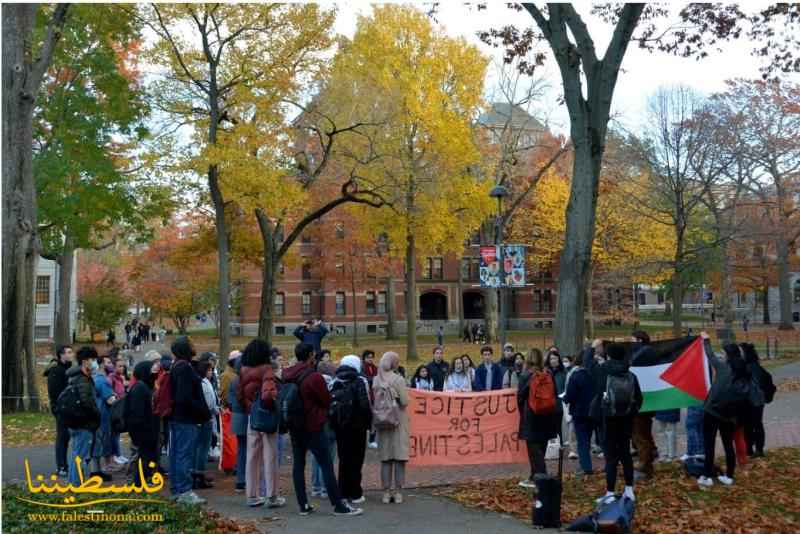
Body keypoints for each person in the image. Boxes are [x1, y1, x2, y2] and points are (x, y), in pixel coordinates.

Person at [282, 343, 362, 516]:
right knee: (326, 464)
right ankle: (338, 505)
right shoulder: (314, 377)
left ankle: (303, 505)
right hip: (313, 425)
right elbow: (326, 400)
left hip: (294, 424)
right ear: (311, 355)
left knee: (298, 464)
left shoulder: (287, 374)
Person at [237, 339, 284, 508]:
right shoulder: (267, 369)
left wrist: (250, 408)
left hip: (252, 416)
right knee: (270, 456)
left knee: (252, 456)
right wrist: (272, 407)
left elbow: (239, 394)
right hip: (267, 415)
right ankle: (271, 496)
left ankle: (252, 495)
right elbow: (268, 394)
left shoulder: (242, 370)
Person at [698, 333, 749, 487]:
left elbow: (710, 355)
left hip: (712, 411)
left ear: (727, 355)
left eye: (724, 353)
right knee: (728, 444)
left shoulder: (722, 367)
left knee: (709, 443)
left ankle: (707, 476)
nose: (722, 355)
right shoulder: (743, 371)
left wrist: (705, 339)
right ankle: (729, 476)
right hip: (730, 415)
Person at [597, 343, 643, 504]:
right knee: (625, 454)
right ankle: (629, 489)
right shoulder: (630, 374)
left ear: (608, 356)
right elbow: (639, 398)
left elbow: (597, 394)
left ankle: (610, 492)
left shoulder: (603, 372)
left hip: (609, 419)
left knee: (610, 457)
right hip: (626, 419)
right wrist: (631, 413)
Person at [169, 336, 211, 505]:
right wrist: (201, 411)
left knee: (178, 454)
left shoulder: (177, 366)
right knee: (184, 454)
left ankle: (177, 489)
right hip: (186, 419)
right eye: (191, 344)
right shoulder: (184, 368)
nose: (194, 345)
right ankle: (185, 491)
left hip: (179, 417)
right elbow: (184, 397)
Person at [332, 355, 372, 505]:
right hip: (358, 427)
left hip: (340, 426)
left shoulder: (336, 380)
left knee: (343, 459)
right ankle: (355, 492)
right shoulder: (360, 380)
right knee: (357, 459)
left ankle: (342, 491)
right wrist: (369, 424)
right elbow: (365, 404)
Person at [517, 349, 559, 488]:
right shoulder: (548, 374)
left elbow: (520, 398)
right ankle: (534, 476)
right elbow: (555, 394)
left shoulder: (525, 376)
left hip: (532, 417)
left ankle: (541, 479)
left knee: (534, 452)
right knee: (541, 448)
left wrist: (522, 414)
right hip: (547, 416)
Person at [373, 351, 409, 505]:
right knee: (399, 459)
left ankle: (386, 493)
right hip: (398, 421)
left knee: (385, 459)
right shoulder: (398, 379)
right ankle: (398, 492)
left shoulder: (376, 379)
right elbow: (405, 402)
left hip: (382, 422)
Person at [65, 347, 102, 486]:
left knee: (76, 454)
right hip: (83, 424)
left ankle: (73, 482)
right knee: (80, 456)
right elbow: (87, 402)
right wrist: (96, 414)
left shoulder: (77, 377)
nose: (94, 363)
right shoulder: (82, 380)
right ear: (85, 362)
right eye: (92, 360)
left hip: (77, 422)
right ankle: (76, 485)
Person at [629, 330, 658, 481]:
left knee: (640, 434)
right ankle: (647, 460)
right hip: (646, 401)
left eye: (632, 340)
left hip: (641, 402)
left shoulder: (643, 354)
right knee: (643, 433)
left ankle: (644, 465)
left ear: (639, 340)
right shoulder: (647, 352)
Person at [126, 360, 160, 486]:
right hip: (143, 431)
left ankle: (144, 479)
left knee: (148, 457)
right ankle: (137, 482)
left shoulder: (147, 386)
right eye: (152, 370)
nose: (154, 373)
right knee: (141, 457)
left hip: (149, 429)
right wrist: (140, 432)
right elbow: (137, 413)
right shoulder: (140, 388)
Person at [562, 352, 595, 476]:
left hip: (579, 412)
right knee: (587, 438)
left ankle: (585, 467)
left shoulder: (576, 376)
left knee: (582, 440)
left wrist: (565, 399)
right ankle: (587, 464)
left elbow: (570, 395)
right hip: (592, 411)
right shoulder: (593, 374)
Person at [741, 342, 774, 457]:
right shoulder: (756, 366)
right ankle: (758, 449)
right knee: (756, 424)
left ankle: (751, 448)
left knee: (749, 425)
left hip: (751, 401)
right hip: (759, 401)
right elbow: (768, 379)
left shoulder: (748, 367)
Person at [45, 345, 73, 477]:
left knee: (67, 437)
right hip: (61, 409)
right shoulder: (56, 370)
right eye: (68, 352)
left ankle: (66, 465)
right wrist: (58, 408)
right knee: (62, 437)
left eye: (71, 352)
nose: (71, 354)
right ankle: (61, 466)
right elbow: (55, 392)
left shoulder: (67, 368)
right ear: (61, 355)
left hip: (69, 408)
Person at [310, 362, 337, 499]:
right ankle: (326, 487)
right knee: (328, 457)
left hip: (314, 424)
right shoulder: (333, 385)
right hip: (329, 424)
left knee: (315, 456)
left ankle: (315, 486)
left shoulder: (310, 383)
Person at [194, 360, 218, 491]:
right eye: (209, 370)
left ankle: (198, 473)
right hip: (206, 418)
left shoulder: (204, 382)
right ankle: (199, 474)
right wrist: (215, 410)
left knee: (201, 447)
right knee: (202, 448)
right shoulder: (203, 383)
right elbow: (209, 402)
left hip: (205, 417)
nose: (211, 372)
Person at [94, 356, 119, 476]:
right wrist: (118, 399)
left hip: (98, 413)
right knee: (105, 438)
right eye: (108, 362)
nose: (111, 365)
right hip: (104, 414)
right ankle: (107, 464)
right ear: (102, 365)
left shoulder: (94, 378)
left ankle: (105, 464)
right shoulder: (102, 380)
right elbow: (110, 400)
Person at [229, 357, 248, 493]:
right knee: (248, 450)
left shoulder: (233, 380)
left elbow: (230, 400)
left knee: (241, 449)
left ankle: (240, 480)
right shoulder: (243, 380)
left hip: (236, 415)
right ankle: (245, 479)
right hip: (244, 416)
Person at [547, 351, 567, 443]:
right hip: (548, 403)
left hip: (559, 403)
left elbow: (566, 386)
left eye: (555, 358)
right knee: (549, 426)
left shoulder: (563, 372)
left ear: (559, 359)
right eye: (551, 359)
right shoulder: (546, 372)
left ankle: (560, 444)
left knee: (558, 425)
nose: (553, 360)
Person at [362, 350, 379, 450]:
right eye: (368, 357)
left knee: (374, 419)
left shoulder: (375, 368)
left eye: (372, 357)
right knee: (365, 419)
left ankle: (372, 440)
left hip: (375, 396)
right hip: (366, 396)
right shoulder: (361, 368)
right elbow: (366, 379)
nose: (370, 359)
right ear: (364, 358)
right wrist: (374, 379)